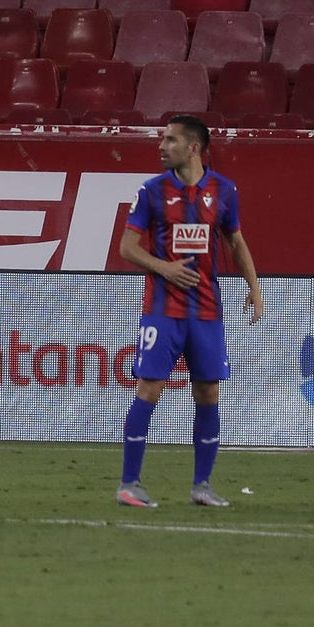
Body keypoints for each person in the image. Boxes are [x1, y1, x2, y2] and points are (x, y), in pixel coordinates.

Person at [115, 114, 264, 508]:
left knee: (209, 391)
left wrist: (254, 287)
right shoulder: (151, 191)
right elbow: (127, 247)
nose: (162, 146)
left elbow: (236, 241)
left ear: (193, 147)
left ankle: (202, 486)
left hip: (207, 311)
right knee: (149, 388)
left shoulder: (224, 190)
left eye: (170, 140)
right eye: (163, 139)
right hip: (162, 310)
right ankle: (129, 484)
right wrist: (164, 268)